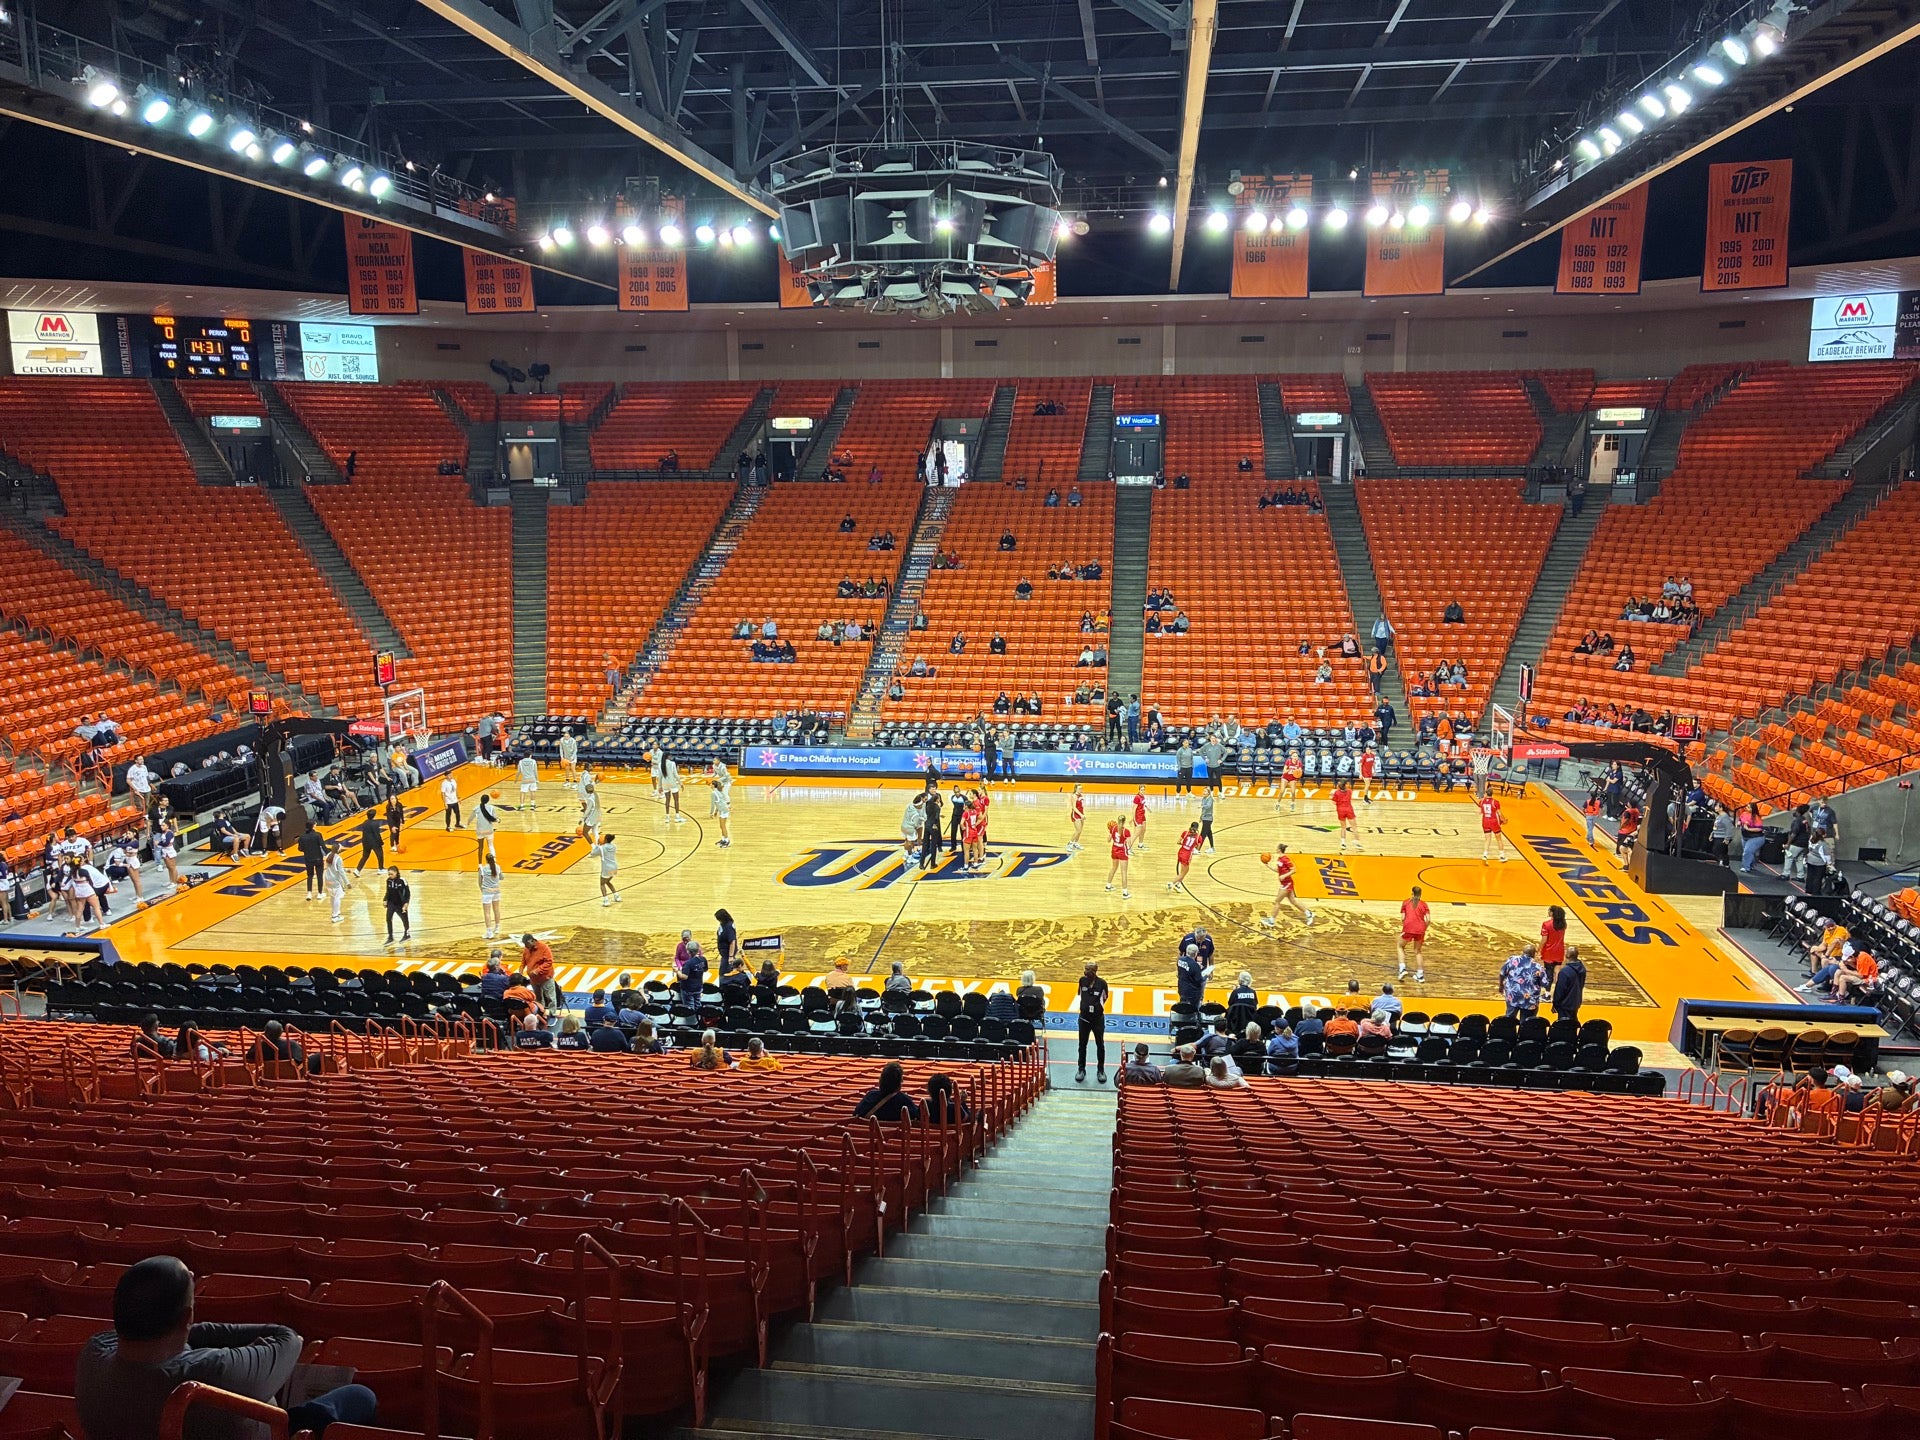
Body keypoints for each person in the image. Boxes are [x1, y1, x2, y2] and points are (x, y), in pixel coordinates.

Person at [76, 1256, 378, 1440]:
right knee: (360, 1396)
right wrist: (195, 1328)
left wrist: (185, 1329)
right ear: (186, 1317)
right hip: (274, 1431)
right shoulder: (213, 1375)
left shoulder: (92, 1356)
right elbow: (288, 1339)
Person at [1260, 844, 1316, 928]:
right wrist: (1268, 866)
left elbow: (1294, 870)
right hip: (1284, 883)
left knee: (1277, 901)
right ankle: (1309, 913)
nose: (1275, 849)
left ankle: (1271, 921)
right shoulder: (1279, 859)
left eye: (1277, 848)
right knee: (1293, 901)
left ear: (1279, 849)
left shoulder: (1285, 859)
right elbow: (1278, 870)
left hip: (1287, 883)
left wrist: (1284, 876)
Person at [1076, 959, 1109, 1084]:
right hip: (1084, 1018)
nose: (1085, 972)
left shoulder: (1102, 983)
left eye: (1087, 970)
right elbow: (1080, 994)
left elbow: (1104, 998)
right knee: (1082, 1045)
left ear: (1094, 971)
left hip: (1097, 1020)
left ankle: (1101, 1070)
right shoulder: (1082, 981)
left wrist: (1095, 1008)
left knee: (1100, 1045)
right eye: (1084, 969)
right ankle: (1081, 1069)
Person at [853, 1061, 923, 1120]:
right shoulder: (904, 1101)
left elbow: (856, 1114)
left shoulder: (870, 1097)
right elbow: (916, 1117)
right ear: (900, 1082)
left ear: (881, 1080)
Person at [1500, 944, 1546, 1020]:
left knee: (1509, 1020)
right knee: (1526, 1023)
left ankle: (1508, 1031)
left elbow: (1502, 973)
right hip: (1529, 1000)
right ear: (1533, 954)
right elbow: (1545, 983)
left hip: (1513, 996)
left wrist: (1501, 986)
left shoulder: (1512, 960)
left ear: (1523, 952)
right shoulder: (1538, 967)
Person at [521, 933, 559, 1017]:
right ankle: (541, 1013)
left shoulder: (544, 947)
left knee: (550, 997)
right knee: (538, 998)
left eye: (527, 944)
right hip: (533, 979)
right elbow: (523, 961)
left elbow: (549, 962)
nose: (526, 947)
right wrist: (520, 971)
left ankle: (553, 1014)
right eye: (525, 945)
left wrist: (537, 970)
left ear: (532, 940)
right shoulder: (526, 949)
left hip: (545, 977)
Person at [1397, 886, 1429, 982]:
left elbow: (1403, 918)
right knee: (1418, 951)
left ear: (1412, 893)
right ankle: (1420, 975)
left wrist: (1406, 926)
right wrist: (1424, 928)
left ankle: (1402, 969)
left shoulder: (1406, 902)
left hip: (1409, 928)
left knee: (1400, 946)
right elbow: (1428, 919)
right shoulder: (1424, 904)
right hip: (1420, 930)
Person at [1551, 945, 1587, 1024]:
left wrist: (1555, 1003)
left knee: (1564, 1025)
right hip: (1576, 1001)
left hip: (1565, 1004)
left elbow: (1560, 990)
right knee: (1573, 1022)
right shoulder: (1582, 968)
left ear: (1568, 955)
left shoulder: (1565, 971)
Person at [1539, 905, 1568, 995]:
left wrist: (1539, 950)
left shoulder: (1546, 924)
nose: (1548, 912)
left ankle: (1547, 994)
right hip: (1559, 951)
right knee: (1557, 972)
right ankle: (1559, 993)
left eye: (1549, 911)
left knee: (1549, 973)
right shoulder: (1563, 924)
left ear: (1552, 913)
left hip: (1549, 952)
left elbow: (1544, 940)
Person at [1176, 941, 1210, 1015]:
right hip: (1192, 993)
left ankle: (1183, 1019)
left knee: (1183, 1007)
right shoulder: (1195, 965)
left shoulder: (1180, 960)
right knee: (1193, 1010)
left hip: (1182, 988)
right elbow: (1199, 981)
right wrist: (1205, 975)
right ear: (1196, 954)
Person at [322, 841, 352, 924]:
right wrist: (347, 883)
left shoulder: (328, 855)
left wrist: (346, 870)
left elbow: (335, 868)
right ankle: (335, 916)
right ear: (338, 850)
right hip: (335, 880)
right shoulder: (338, 858)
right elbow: (340, 871)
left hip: (327, 879)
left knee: (332, 897)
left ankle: (335, 912)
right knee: (337, 897)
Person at [478, 852, 504, 939]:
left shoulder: (482, 868)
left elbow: (479, 881)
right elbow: (502, 877)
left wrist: (482, 890)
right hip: (497, 890)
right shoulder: (498, 867)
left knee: (487, 912)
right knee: (496, 909)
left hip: (487, 892)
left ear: (486, 860)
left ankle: (489, 932)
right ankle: (497, 927)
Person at [1170, 821, 1202, 891]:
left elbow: (1178, 842)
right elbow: (1197, 848)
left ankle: (1178, 884)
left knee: (1184, 870)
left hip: (1181, 852)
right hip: (1187, 855)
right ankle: (1171, 883)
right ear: (1197, 828)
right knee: (1184, 872)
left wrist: (1184, 844)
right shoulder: (1198, 837)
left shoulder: (1185, 833)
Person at [1105, 816, 1132, 898]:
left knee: (1113, 868)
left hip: (1114, 850)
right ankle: (1125, 893)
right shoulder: (1126, 831)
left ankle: (1108, 886)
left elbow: (1108, 840)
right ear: (1124, 822)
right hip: (1122, 851)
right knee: (1124, 872)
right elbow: (1129, 845)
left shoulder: (1113, 828)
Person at [382, 866, 411, 944]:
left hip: (400, 904)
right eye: (389, 874)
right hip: (391, 903)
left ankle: (407, 934)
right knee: (388, 919)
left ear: (396, 873)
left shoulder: (402, 881)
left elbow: (407, 893)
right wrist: (385, 899)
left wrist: (406, 903)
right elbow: (387, 892)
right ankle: (390, 937)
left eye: (391, 874)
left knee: (404, 919)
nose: (390, 876)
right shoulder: (388, 881)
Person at [1332, 779, 1361, 851]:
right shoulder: (1349, 791)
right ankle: (1356, 842)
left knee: (1343, 827)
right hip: (1349, 810)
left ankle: (1343, 843)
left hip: (1340, 810)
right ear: (1345, 785)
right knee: (1354, 827)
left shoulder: (1336, 792)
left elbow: (1333, 802)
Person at [710, 759, 734, 847]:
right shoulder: (717, 792)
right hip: (722, 809)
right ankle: (723, 839)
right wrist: (716, 812)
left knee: (723, 826)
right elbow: (717, 803)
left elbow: (713, 804)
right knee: (721, 826)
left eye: (711, 784)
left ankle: (727, 841)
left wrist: (711, 813)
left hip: (724, 810)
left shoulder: (714, 793)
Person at [1479, 790, 1507, 863]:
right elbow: (1499, 813)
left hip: (1485, 821)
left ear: (1486, 794)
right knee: (1499, 839)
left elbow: (1480, 812)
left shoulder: (1481, 801)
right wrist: (1504, 820)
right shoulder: (1495, 802)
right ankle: (1502, 856)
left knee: (1487, 839)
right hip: (1494, 821)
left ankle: (1485, 855)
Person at [472, 790, 499, 861]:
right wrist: (498, 820)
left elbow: (472, 817)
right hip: (489, 830)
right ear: (488, 800)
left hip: (480, 830)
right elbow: (494, 818)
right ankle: (494, 861)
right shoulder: (491, 807)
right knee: (491, 846)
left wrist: (468, 823)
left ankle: (480, 864)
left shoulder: (477, 808)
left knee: (481, 848)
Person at [1067, 784, 1086, 850]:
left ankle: (1075, 843)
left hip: (1081, 814)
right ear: (1076, 789)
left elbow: (1081, 806)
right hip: (1076, 814)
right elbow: (1074, 808)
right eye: (1079, 788)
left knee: (1080, 830)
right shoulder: (1074, 796)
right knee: (1078, 830)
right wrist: (1081, 815)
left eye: (1081, 788)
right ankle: (1070, 844)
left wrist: (1083, 814)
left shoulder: (1081, 795)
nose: (1081, 790)